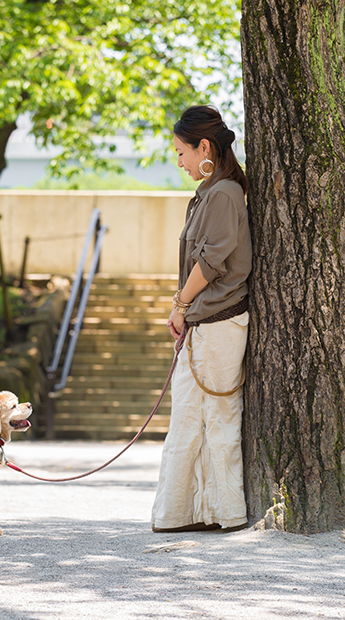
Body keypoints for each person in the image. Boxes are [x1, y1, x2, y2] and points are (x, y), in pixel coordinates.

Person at [151, 105, 252, 532]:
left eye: (181, 152)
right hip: (205, 323)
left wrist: (179, 305)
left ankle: (224, 513)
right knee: (190, 419)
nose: (180, 161)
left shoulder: (225, 193)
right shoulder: (213, 192)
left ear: (204, 147)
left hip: (220, 324)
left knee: (219, 419)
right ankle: (186, 513)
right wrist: (185, 314)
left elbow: (211, 260)